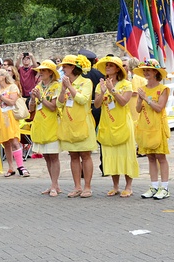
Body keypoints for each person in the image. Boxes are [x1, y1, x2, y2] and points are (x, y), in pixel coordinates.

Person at [93, 55, 139, 197]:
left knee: (126, 154)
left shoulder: (126, 84)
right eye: (106, 65)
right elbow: (96, 104)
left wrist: (112, 89)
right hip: (107, 123)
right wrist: (101, 91)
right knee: (110, 154)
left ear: (118, 69)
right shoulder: (101, 84)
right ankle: (115, 185)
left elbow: (124, 101)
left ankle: (129, 186)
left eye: (110, 65)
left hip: (122, 123)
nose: (107, 67)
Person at [57, 55, 95, 198]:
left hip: (82, 122)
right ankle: (77, 186)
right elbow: (59, 104)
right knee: (73, 155)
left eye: (65, 66)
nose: (63, 69)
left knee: (85, 154)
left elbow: (82, 99)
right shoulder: (64, 83)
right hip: (68, 122)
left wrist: (70, 87)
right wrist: (62, 90)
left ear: (73, 67)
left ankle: (87, 186)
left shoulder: (86, 82)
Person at [134, 59, 171, 199]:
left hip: (157, 125)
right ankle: (154, 186)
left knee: (161, 156)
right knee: (150, 157)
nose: (146, 72)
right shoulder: (142, 89)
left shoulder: (163, 89)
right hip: (145, 125)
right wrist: (139, 100)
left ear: (155, 72)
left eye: (148, 70)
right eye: (144, 70)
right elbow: (138, 110)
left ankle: (165, 187)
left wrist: (147, 99)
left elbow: (159, 108)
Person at [28, 60, 62, 196]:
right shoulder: (39, 86)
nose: (40, 73)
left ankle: (54, 184)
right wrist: (32, 99)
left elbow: (54, 106)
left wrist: (40, 98)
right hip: (40, 122)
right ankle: (54, 184)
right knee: (47, 156)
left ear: (50, 73)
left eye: (43, 70)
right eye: (40, 70)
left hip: (52, 123)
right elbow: (32, 108)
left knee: (54, 156)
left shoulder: (56, 86)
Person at [0, 68, 30, 177]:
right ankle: (10, 167)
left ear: (4, 76)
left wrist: (0, 96)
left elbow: (12, 102)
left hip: (10, 117)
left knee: (14, 141)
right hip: (0, 117)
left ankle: (21, 166)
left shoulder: (12, 87)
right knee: (6, 142)